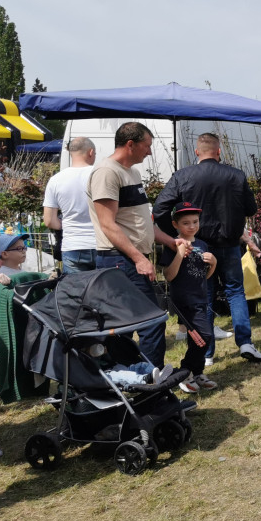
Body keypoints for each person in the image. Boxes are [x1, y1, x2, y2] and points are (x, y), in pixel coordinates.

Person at [153, 132, 261, 365]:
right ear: (218, 151)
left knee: (206, 295)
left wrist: (176, 234)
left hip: (197, 245)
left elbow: (160, 206)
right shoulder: (236, 175)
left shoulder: (184, 176)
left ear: (196, 152)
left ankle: (207, 353)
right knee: (235, 292)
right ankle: (245, 342)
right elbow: (251, 209)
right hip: (229, 243)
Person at [88, 122, 183, 368]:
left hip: (129, 259)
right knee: (151, 321)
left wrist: (171, 241)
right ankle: (150, 383)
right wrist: (139, 259)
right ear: (130, 144)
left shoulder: (131, 173)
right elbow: (108, 224)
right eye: (147, 145)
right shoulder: (107, 172)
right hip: (119, 259)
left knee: (124, 327)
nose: (150, 152)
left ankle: (128, 379)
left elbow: (141, 222)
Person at [159, 202, 217, 393]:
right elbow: (168, 276)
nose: (192, 226)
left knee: (198, 339)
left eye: (195, 221)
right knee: (205, 336)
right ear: (176, 225)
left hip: (201, 298)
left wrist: (214, 264)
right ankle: (185, 372)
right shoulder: (172, 245)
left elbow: (204, 276)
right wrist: (179, 255)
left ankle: (196, 372)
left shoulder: (201, 245)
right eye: (186, 223)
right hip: (184, 301)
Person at [43, 137, 98, 273]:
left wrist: (68, 224)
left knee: (75, 291)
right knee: (103, 291)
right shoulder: (101, 174)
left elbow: (49, 221)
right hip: (102, 243)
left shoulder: (55, 180)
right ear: (91, 152)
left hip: (72, 244)